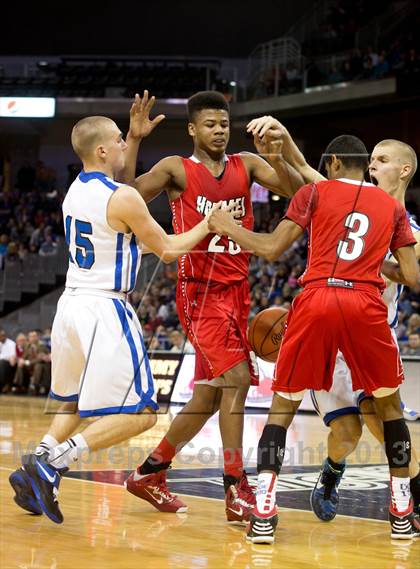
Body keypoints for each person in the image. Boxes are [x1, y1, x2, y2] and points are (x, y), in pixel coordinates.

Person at [9, 91, 216, 524]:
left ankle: (35, 467)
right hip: (105, 309)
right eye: (121, 139)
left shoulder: (72, 192)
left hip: (70, 307)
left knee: (70, 404)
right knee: (142, 414)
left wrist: (136, 137)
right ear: (102, 150)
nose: (126, 144)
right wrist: (209, 223)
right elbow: (168, 249)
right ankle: (55, 462)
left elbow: (119, 190)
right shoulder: (123, 199)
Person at [207, 134, 419, 542]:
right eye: (372, 160)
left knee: (282, 408)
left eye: (384, 159)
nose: (375, 166)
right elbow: (412, 276)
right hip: (365, 306)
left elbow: (272, 247)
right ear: (362, 165)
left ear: (335, 164)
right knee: (378, 419)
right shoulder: (391, 209)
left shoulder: (317, 192)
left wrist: (227, 226)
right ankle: (401, 513)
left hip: (319, 297)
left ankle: (265, 513)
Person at [123, 91, 304, 522]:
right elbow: (126, 195)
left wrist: (277, 157)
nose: (219, 130)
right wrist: (133, 140)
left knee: (206, 397)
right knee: (238, 379)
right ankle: (235, 487)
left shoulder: (248, 164)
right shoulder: (176, 169)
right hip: (199, 293)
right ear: (192, 129)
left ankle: (149, 473)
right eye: (209, 124)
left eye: (224, 124)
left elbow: (300, 198)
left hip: (238, 292)